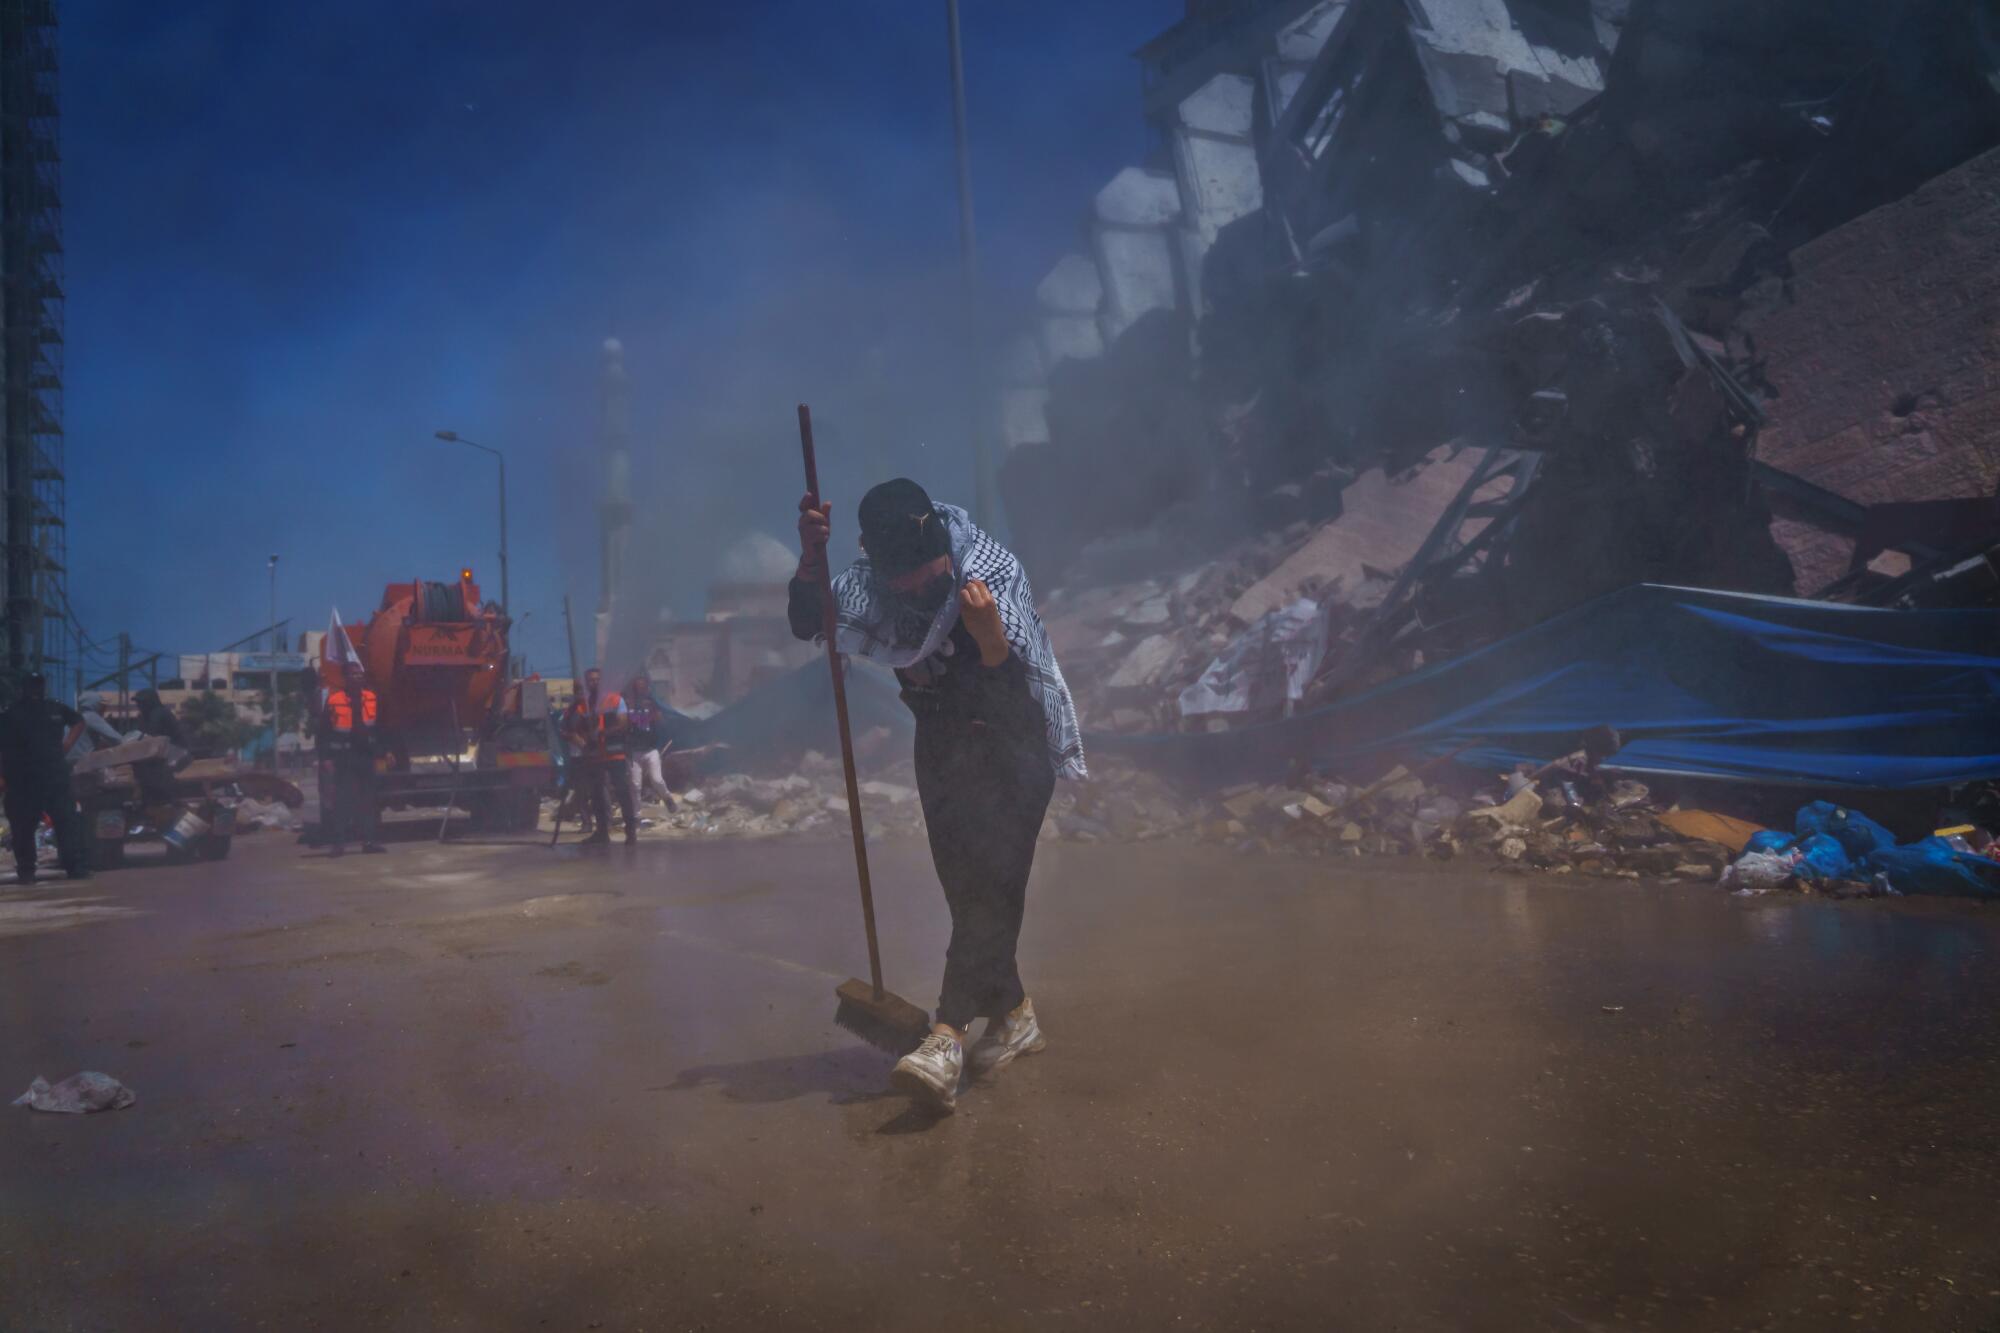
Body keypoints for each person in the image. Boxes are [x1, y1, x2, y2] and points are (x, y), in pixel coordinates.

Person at [790, 478, 1085, 1112]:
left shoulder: (991, 572)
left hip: (1013, 751)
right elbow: (804, 620)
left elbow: (1014, 694)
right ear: (873, 556)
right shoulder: (869, 587)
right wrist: (810, 558)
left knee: (988, 890)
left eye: (926, 569)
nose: (916, 585)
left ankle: (945, 1040)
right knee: (968, 894)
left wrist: (989, 638)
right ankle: (1014, 1015)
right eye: (901, 577)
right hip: (944, 753)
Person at [0, 674, 87, 883]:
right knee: (29, 827)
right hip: (27, 778)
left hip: (42, 777)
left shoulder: (50, 709)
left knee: (58, 823)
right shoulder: (13, 713)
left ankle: (64, 869)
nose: (36, 690)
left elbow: (78, 721)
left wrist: (65, 746)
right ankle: (32, 871)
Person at [562, 667, 638, 845]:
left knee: (622, 791)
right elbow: (569, 729)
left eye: (597, 679)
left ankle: (631, 832)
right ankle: (602, 832)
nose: (593, 683)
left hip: (615, 754)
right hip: (594, 756)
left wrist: (602, 733)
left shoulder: (615, 699)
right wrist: (582, 743)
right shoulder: (582, 705)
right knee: (596, 795)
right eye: (590, 680)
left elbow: (623, 725)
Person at [316, 661, 384, 857]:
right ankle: (338, 844)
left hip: (365, 756)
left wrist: (384, 751)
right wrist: (325, 758)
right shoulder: (334, 699)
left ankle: (369, 842)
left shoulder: (371, 698)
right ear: (345, 678)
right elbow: (323, 733)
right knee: (342, 802)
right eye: (353, 675)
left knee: (368, 802)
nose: (357, 677)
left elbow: (380, 728)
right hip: (344, 757)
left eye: (359, 674)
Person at [623, 673, 676, 809]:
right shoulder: (627, 704)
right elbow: (624, 725)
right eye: (637, 687)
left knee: (657, 780)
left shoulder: (652, 704)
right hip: (634, 752)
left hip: (651, 750)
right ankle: (636, 815)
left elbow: (661, 722)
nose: (640, 690)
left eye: (643, 687)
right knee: (635, 785)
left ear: (647, 688)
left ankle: (667, 798)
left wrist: (655, 712)